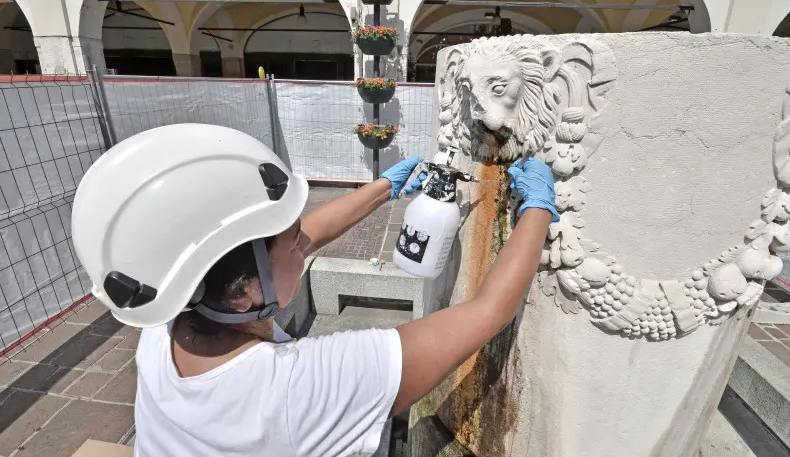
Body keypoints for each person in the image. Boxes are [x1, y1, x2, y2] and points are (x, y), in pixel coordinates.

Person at [71, 123, 557, 457]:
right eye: (292, 238)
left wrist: (384, 188)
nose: (305, 239)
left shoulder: (165, 322)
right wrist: (536, 208)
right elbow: (487, 311)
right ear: (244, 290)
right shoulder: (300, 387)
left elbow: (297, 239)